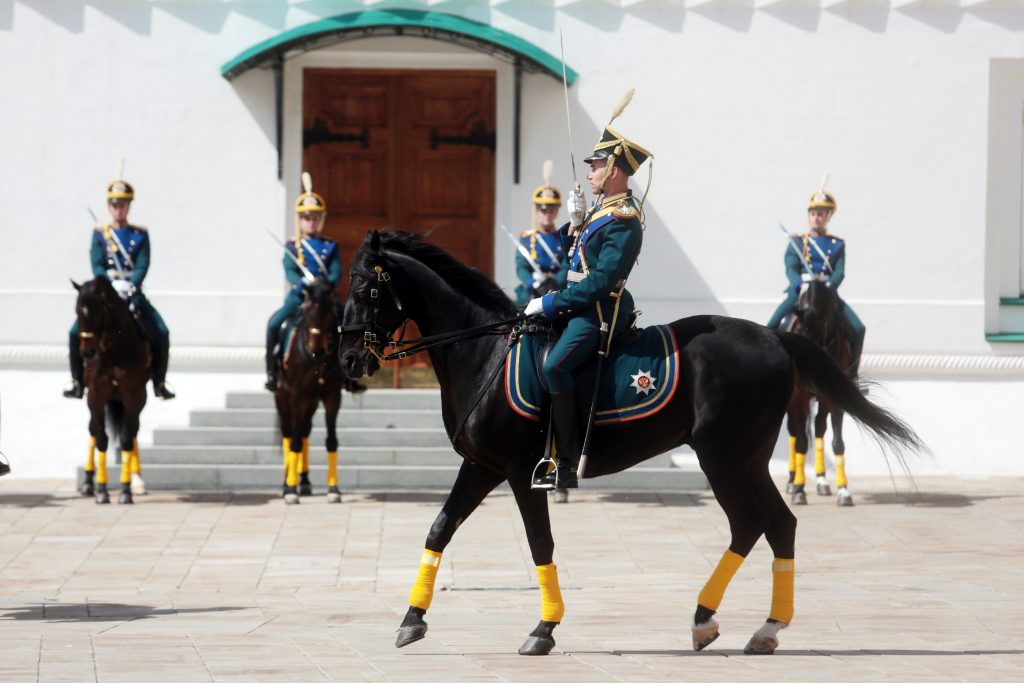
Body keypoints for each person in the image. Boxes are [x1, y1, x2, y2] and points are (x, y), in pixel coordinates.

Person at [523, 124, 652, 489]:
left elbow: (600, 282)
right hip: (578, 303)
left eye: (596, 166)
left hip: (598, 309)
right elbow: (574, 257)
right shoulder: (601, 211)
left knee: (556, 365)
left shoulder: (624, 219)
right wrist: (574, 224)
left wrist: (549, 303)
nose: (590, 172)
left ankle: (566, 459)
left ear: (613, 170)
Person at [64, 178, 175, 400]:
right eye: (115, 205)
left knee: (161, 331)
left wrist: (131, 285)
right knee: (76, 332)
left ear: (128, 207)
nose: (118, 209)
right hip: (107, 292)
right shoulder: (100, 234)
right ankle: (77, 381)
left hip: (131, 292)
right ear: (109, 207)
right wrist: (109, 285)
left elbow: (143, 262)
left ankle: (159, 382)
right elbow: (97, 264)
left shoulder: (139, 234)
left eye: (122, 205)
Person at [765, 188, 865, 365]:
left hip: (826, 291)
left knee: (858, 328)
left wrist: (829, 286)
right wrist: (798, 284)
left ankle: (852, 375)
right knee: (771, 325)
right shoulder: (797, 242)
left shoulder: (837, 245)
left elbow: (839, 272)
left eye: (820, 214)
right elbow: (790, 266)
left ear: (827, 217)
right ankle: (770, 366)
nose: (816, 217)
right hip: (801, 290)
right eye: (813, 213)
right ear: (808, 216)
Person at [264, 174, 342, 391]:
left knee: (348, 322)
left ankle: (348, 374)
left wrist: (325, 286)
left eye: (315, 218)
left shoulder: (330, 246)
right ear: (300, 220)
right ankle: (272, 371)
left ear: (321, 220)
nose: (311, 222)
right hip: (300, 298)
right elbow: (289, 270)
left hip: (324, 298)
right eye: (307, 218)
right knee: (273, 324)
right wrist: (301, 285)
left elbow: (336, 273)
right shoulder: (292, 246)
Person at [514, 164, 568, 306]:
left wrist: (555, 282)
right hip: (531, 292)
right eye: (543, 211)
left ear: (556, 212)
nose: (547, 215)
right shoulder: (526, 238)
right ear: (537, 213)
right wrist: (532, 282)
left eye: (551, 211)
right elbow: (521, 267)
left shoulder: (563, 238)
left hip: (556, 290)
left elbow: (566, 264)